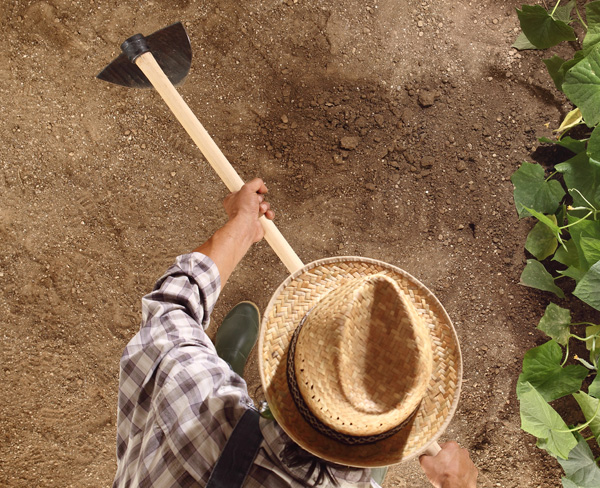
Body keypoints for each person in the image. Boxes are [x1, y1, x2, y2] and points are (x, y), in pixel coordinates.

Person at [112, 178, 478, 488]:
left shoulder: (188, 388)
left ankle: (225, 363)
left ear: (289, 356)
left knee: (195, 360)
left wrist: (241, 226)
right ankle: (369, 432)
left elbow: (171, 310)